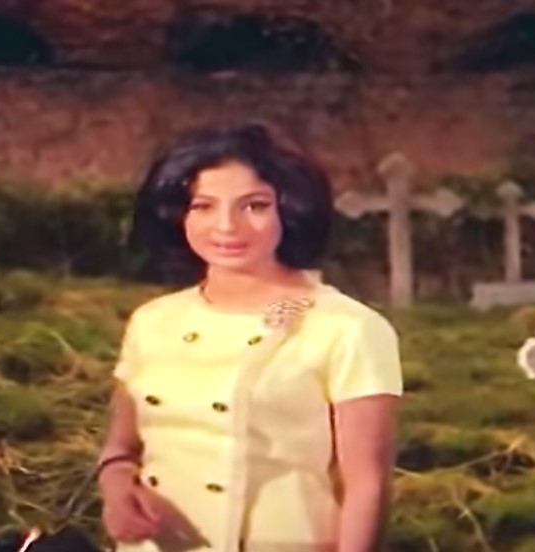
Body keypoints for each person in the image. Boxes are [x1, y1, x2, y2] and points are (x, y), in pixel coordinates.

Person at [97, 122, 403, 552]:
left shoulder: (346, 328)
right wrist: (116, 489)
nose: (226, 226)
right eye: (203, 206)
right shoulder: (153, 322)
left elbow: (367, 485)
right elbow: (122, 446)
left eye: (254, 206)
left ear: (289, 210)